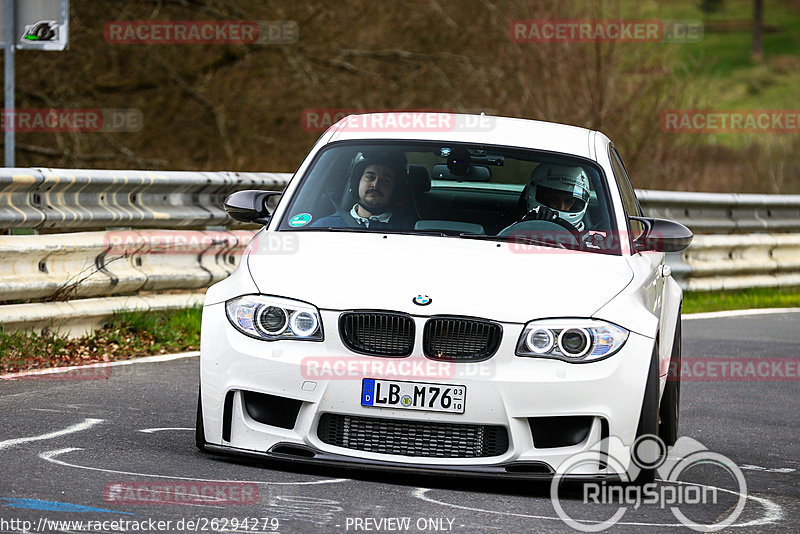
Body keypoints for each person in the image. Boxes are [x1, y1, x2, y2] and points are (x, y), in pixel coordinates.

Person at [312, 150, 415, 229]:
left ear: (394, 189)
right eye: (370, 177)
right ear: (357, 182)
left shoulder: (410, 229)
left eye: (386, 180)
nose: (375, 184)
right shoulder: (324, 226)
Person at [520, 163, 591, 232]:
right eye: (554, 200)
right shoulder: (516, 231)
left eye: (568, 202)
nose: (562, 207)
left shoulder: (590, 240)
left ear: (576, 204)